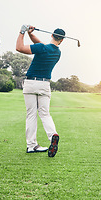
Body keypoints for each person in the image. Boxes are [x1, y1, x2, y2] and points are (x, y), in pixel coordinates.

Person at [16, 25, 64, 157]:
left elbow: (19, 48)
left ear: (51, 35)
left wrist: (22, 32)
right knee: (45, 114)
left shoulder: (42, 48)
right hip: (44, 85)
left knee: (31, 114)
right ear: (62, 40)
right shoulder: (57, 53)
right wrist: (31, 34)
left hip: (31, 83)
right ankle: (52, 135)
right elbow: (42, 45)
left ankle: (31, 146)